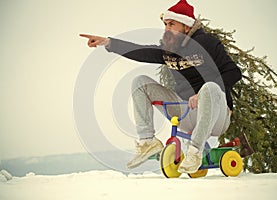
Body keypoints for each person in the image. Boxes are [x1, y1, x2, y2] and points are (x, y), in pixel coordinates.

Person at [80, 0, 242, 173]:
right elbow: (141, 51)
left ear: (186, 26)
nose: (166, 29)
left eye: (171, 24)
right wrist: (108, 42)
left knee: (209, 87)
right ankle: (147, 142)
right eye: (165, 24)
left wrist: (201, 95)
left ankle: (195, 151)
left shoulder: (206, 43)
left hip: (216, 116)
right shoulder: (169, 50)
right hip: (186, 113)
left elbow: (233, 72)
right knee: (140, 82)